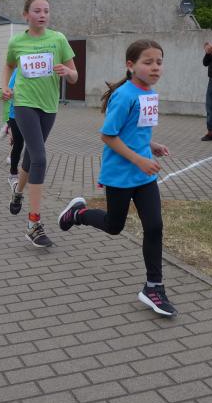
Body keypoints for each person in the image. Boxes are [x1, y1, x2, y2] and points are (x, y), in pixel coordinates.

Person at [58, 39, 176, 316]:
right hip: (120, 175)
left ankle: (154, 287)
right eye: (148, 62)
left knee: (154, 227)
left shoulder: (150, 93)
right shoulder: (124, 96)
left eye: (159, 62)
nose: (155, 67)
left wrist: (152, 146)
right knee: (114, 226)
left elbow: (135, 132)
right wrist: (139, 159)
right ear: (131, 65)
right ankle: (78, 214)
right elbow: (108, 136)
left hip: (144, 176)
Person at [3, 0, 78, 248]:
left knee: (31, 156)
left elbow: (75, 76)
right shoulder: (17, 41)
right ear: (26, 15)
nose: (42, 15)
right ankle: (33, 224)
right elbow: (8, 65)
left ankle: (18, 193)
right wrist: (5, 87)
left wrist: (67, 72)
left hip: (49, 106)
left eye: (46, 10)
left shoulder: (58, 39)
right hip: (24, 103)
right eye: (37, 10)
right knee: (40, 158)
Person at [0, 68, 23, 189]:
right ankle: (8, 130)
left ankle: (10, 155)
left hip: (19, 116)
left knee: (16, 141)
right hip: (9, 117)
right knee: (15, 139)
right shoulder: (4, 89)